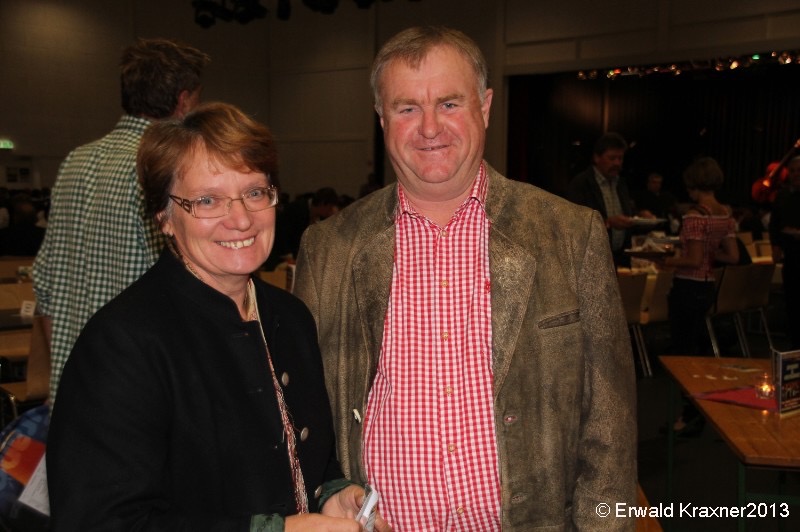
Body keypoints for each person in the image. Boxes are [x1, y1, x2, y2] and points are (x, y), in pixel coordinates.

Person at [294, 26, 636, 531]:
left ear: (486, 107)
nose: (430, 127)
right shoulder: (328, 250)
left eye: (449, 104)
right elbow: (304, 418)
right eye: (407, 108)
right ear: (382, 119)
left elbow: (610, 426)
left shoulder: (570, 234)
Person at [47, 102, 389, 532]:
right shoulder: (122, 343)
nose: (241, 219)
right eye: (208, 200)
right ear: (164, 216)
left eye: (254, 192)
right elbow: (97, 521)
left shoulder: (289, 317)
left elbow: (303, 460)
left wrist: (331, 494)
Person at [32, 38, 210, 404]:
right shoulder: (165, 168)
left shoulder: (75, 162)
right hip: (139, 386)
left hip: (74, 385)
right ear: (183, 101)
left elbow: (46, 284)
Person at [657, 157, 738, 435]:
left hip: (687, 287)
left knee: (683, 354)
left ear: (693, 184)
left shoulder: (694, 216)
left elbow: (691, 259)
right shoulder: (725, 214)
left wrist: (667, 261)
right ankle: (699, 409)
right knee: (698, 350)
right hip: (707, 287)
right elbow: (732, 256)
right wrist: (709, 254)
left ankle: (688, 414)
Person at [567, 132, 637, 266]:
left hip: (620, 259)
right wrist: (608, 222)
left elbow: (627, 214)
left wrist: (638, 216)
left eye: (620, 158)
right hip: (591, 261)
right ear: (597, 158)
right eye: (612, 158)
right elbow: (575, 222)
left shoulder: (621, 183)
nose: (617, 163)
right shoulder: (581, 184)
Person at [770, 155, 800, 349]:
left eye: (799, 171)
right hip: (791, 258)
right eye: (793, 171)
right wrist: (776, 245)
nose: (796, 174)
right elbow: (775, 224)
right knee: (792, 302)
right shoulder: (783, 196)